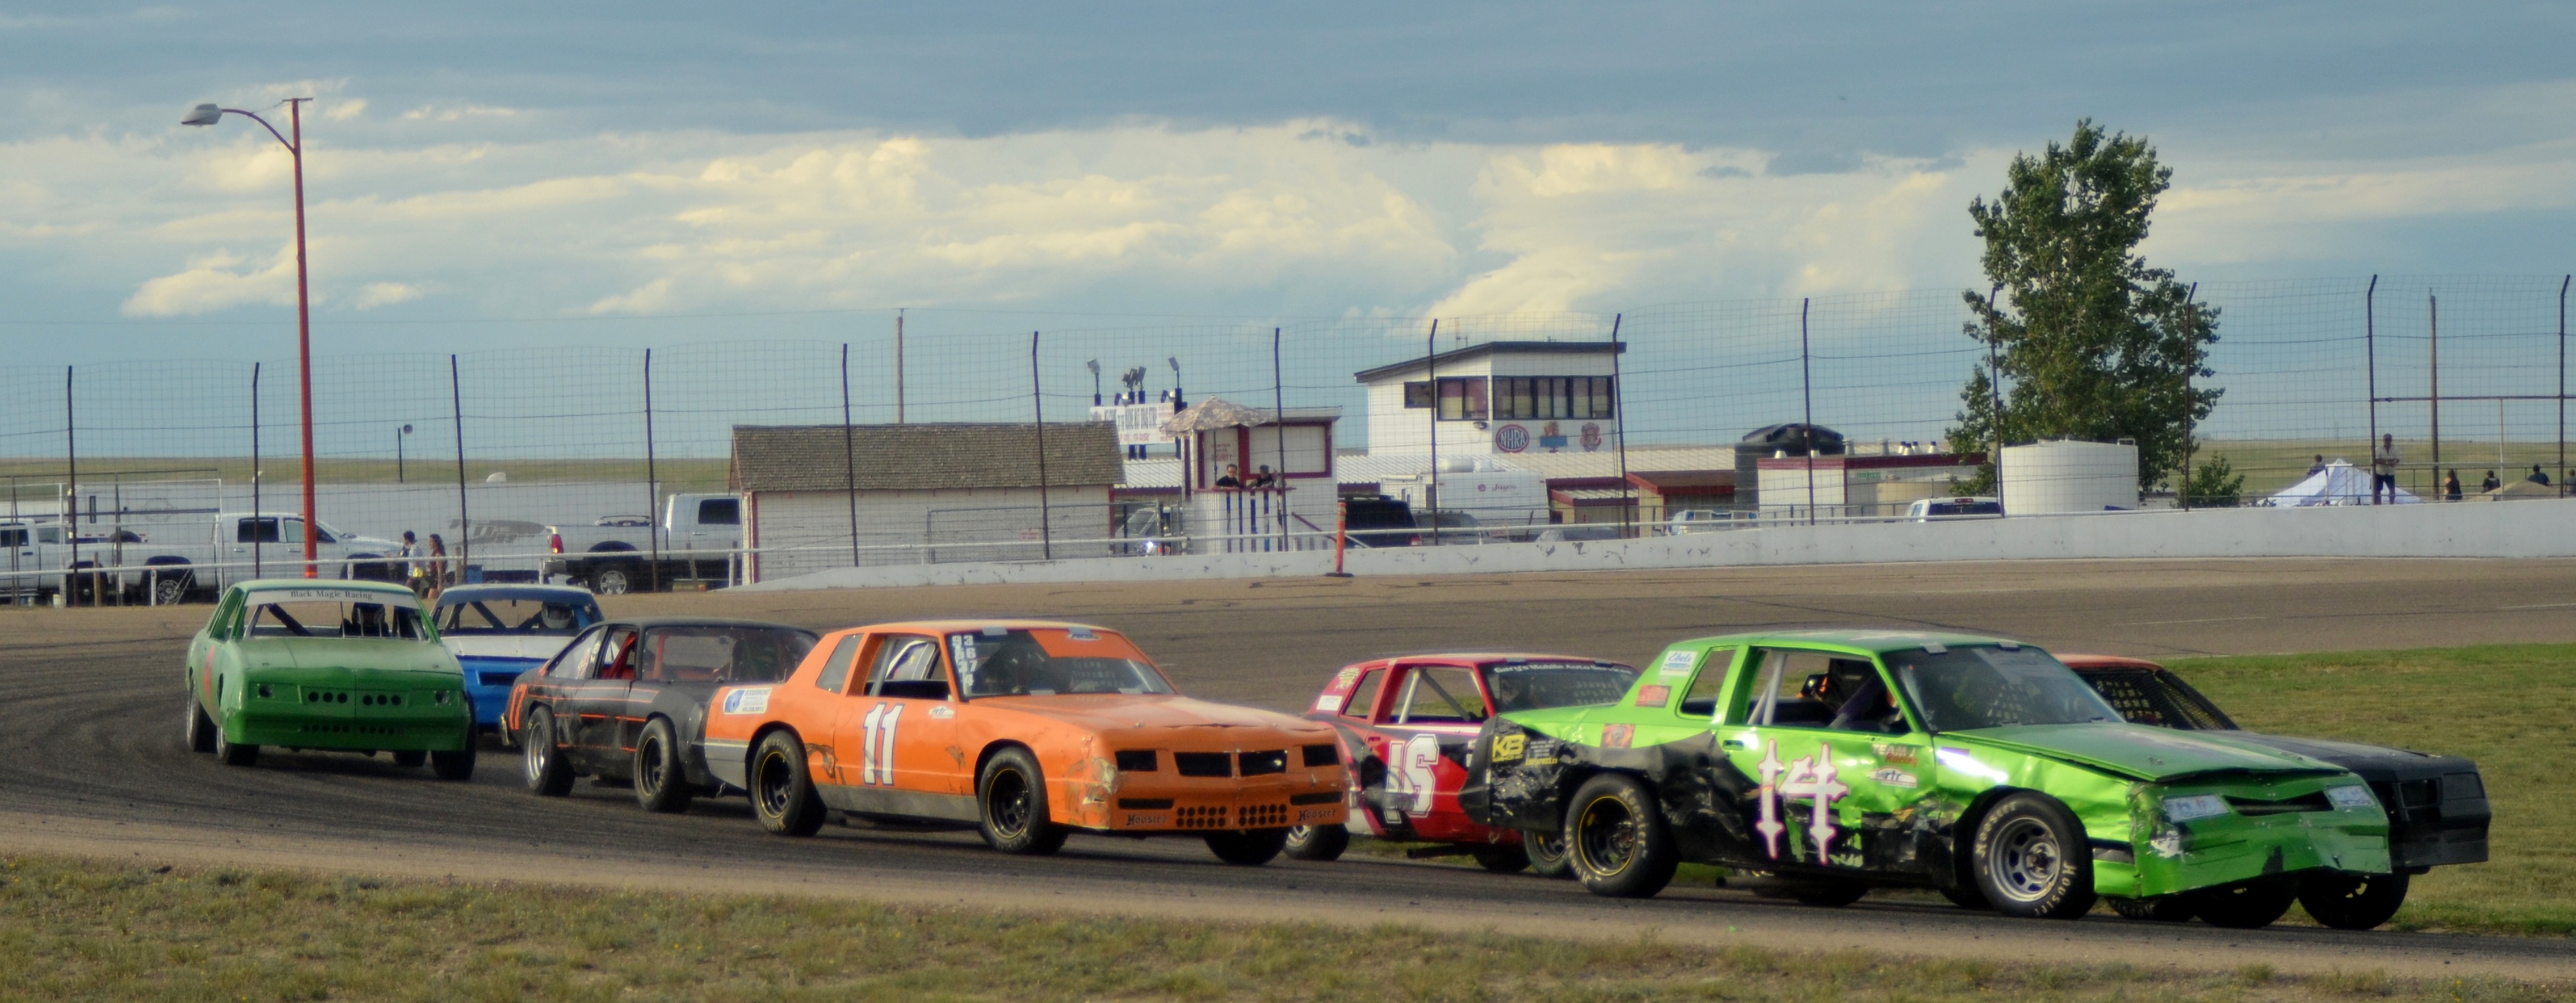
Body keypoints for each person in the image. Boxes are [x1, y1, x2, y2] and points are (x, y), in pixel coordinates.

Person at [2370, 435, 2400, 505]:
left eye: (2389, 440)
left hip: (2390, 472)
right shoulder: (2378, 449)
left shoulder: (2395, 449)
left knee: (2392, 490)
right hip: (2379, 473)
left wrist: (2385, 461)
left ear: (2391, 440)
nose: (2388, 441)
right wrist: (2388, 462)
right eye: (2386, 440)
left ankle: (2391, 505)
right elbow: (2375, 460)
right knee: (2378, 491)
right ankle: (2378, 505)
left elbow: (2397, 459)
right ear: (2383, 440)